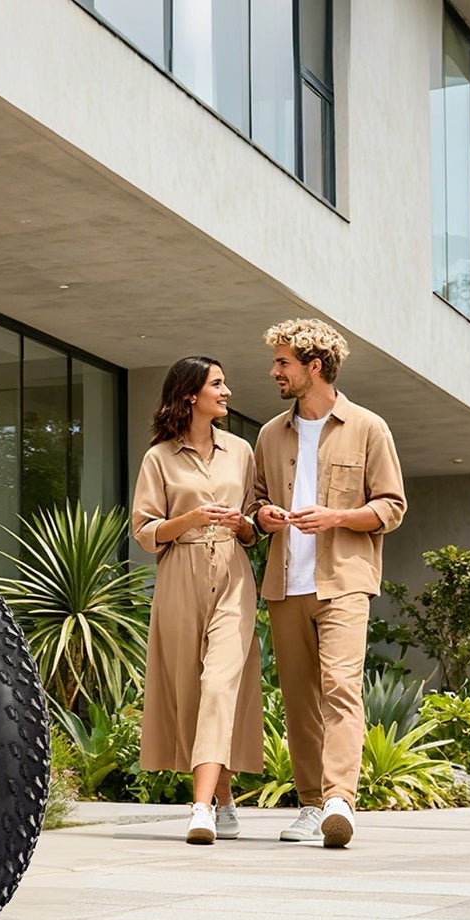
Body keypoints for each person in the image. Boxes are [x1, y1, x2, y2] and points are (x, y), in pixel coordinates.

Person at [249, 319, 406, 848]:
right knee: (299, 701)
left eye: (283, 363)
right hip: (285, 584)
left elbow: (391, 506)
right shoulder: (270, 434)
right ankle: (312, 805)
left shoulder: (369, 427)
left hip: (344, 581)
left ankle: (340, 800)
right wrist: (264, 516)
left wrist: (336, 517)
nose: (275, 371)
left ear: (313, 367)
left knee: (341, 687)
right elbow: (255, 504)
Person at [132, 356, 264, 845]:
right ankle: (224, 799)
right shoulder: (159, 458)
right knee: (191, 692)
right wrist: (189, 519)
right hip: (179, 574)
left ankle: (201, 808)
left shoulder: (241, 451)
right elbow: (145, 531)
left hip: (232, 573)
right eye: (218, 384)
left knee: (219, 685)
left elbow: (252, 526)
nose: (227, 392)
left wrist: (242, 523)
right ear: (191, 394)